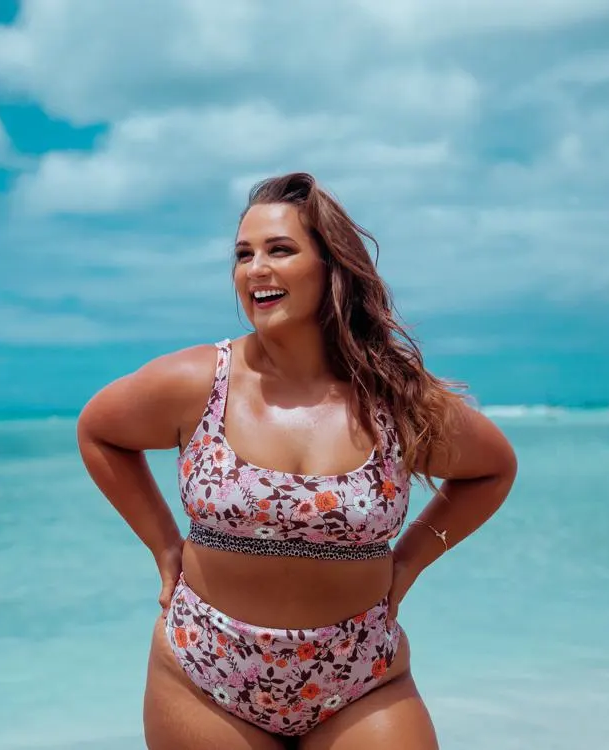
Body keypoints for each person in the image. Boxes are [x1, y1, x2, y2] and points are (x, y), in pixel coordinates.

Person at [77, 173, 518, 749]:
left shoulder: (392, 396)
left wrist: (408, 562)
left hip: (361, 677)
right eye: (243, 255)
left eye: (279, 250)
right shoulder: (198, 381)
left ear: (331, 266)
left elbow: (492, 470)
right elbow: (100, 433)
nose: (255, 268)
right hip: (207, 672)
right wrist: (164, 546)